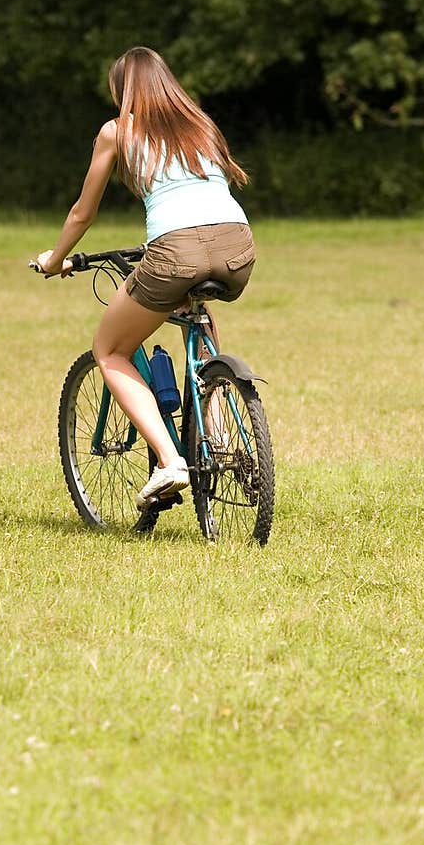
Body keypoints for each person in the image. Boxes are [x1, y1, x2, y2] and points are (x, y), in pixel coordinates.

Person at [35, 45, 256, 509]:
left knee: (110, 349)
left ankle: (170, 461)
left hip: (175, 250)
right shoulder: (201, 126)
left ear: (124, 90)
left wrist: (56, 259)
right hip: (238, 246)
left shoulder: (118, 131)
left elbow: (82, 213)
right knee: (197, 314)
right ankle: (215, 430)